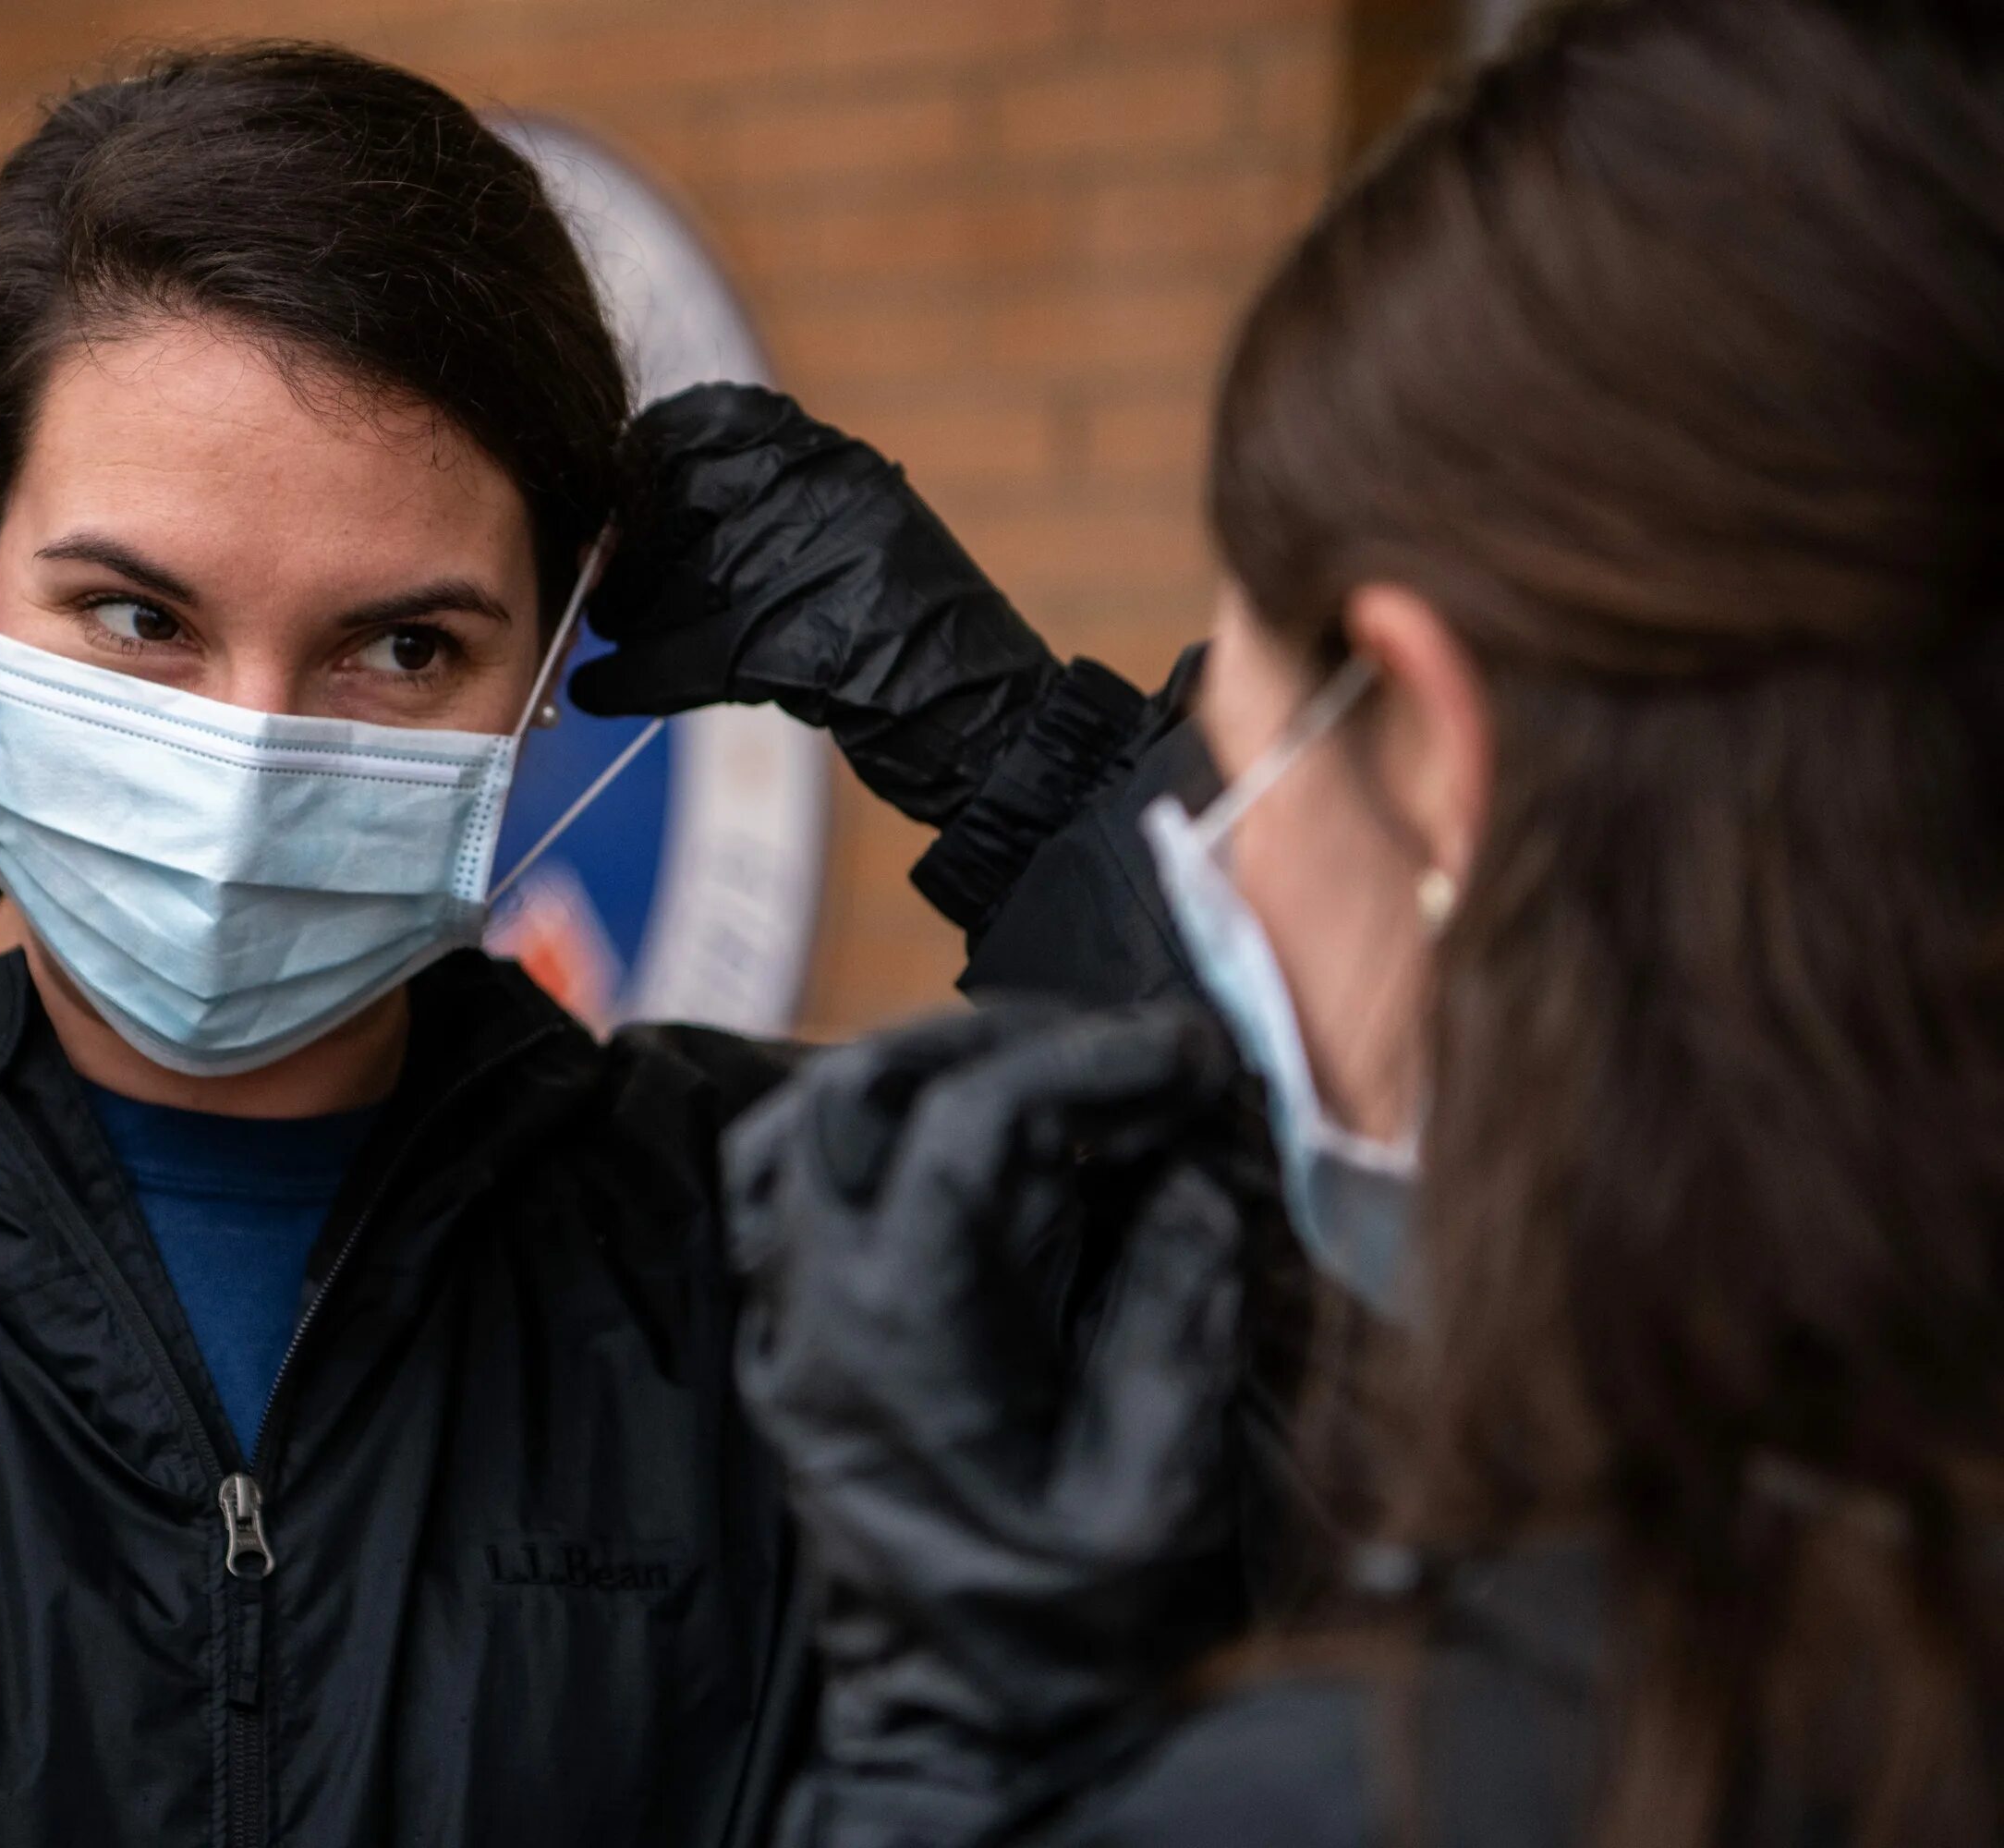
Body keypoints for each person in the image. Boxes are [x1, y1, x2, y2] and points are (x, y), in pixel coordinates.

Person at [0, 42, 1171, 1847]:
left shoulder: (800, 1264)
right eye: (141, 619)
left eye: (402, 645)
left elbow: (1386, 1393)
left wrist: (1040, 784)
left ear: (546, 673)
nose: (252, 748)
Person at [730, 0, 2004, 1842]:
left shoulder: (1456, 1767)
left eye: (1227, 777)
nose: (1215, 876)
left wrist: (958, 1783)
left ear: (1444, 753)